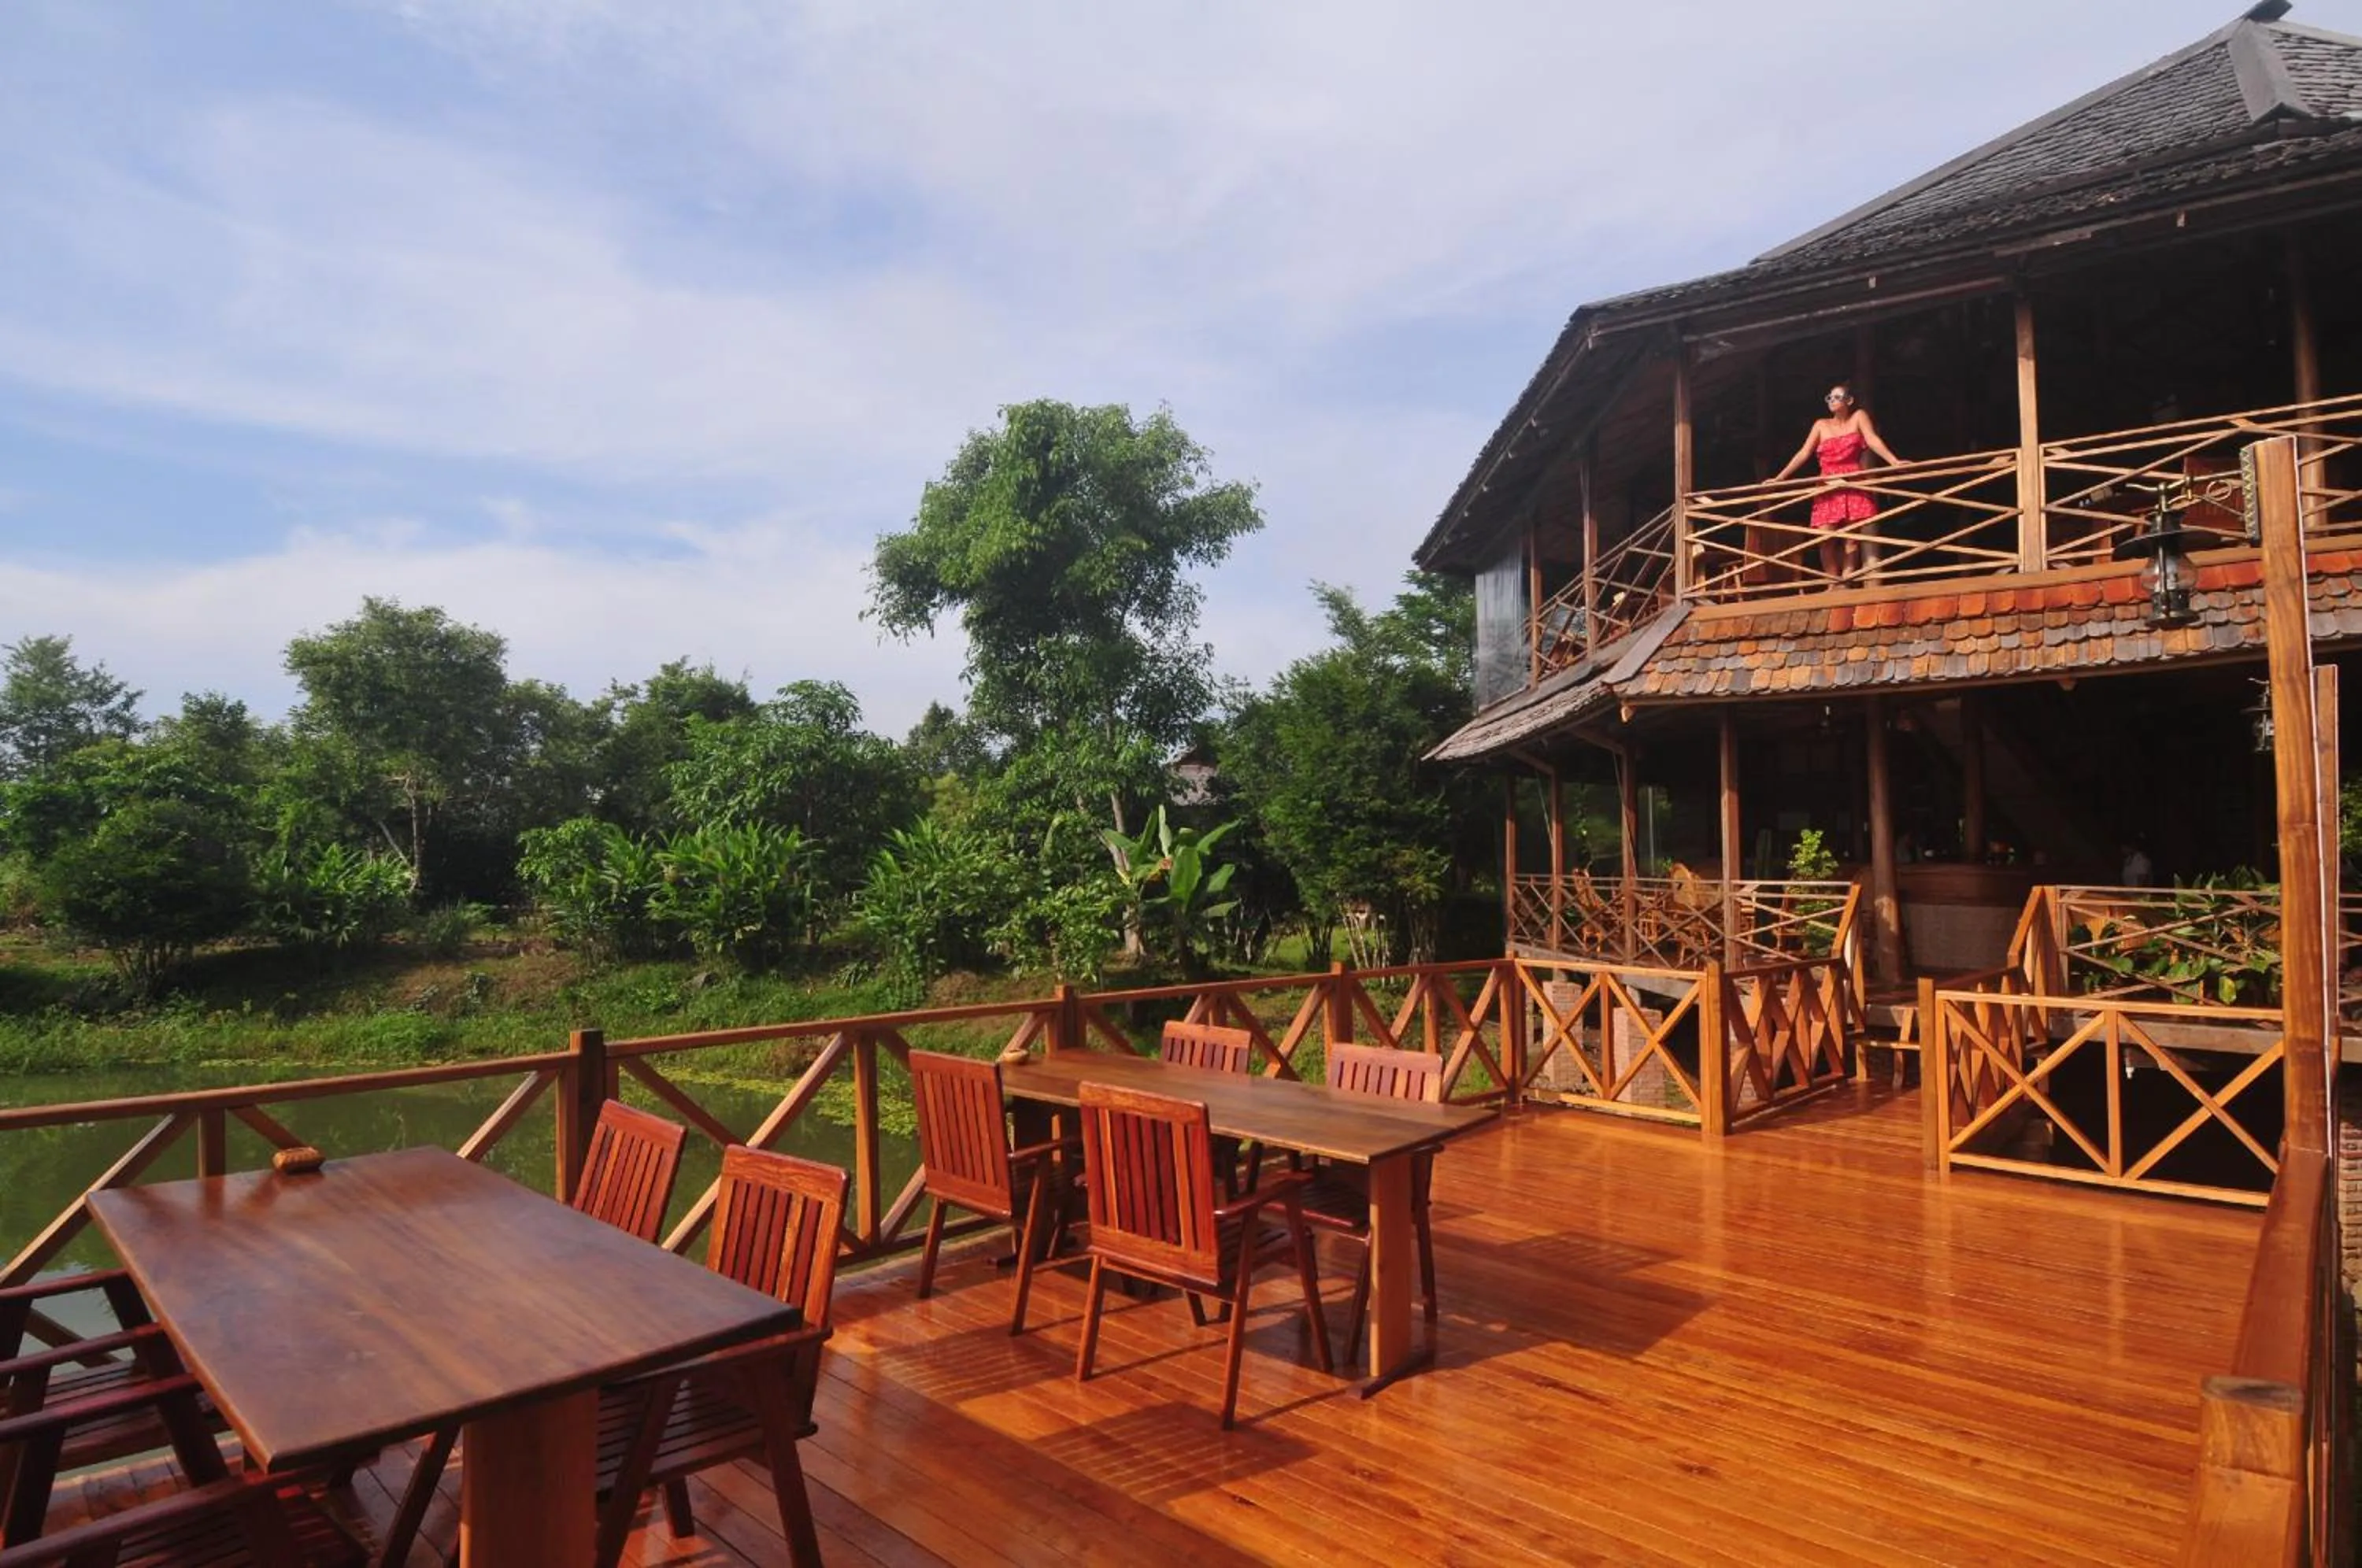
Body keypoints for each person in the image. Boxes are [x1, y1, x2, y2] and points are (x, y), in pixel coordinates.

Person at [1773, 383, 1904, 580]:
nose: (1832, 401)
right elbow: (1804, 453)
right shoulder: (1821, 424)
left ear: (1849, 401)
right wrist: (1780, 477)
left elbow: (1872, 439)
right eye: (1829, 398)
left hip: (1852, 480)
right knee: (1826, 538)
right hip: (1828, 484)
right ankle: (1833, 581)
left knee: (1852, 540)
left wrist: (1894, 461)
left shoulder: (1858, 417)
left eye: (1837, 397)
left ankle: (1847, 579)